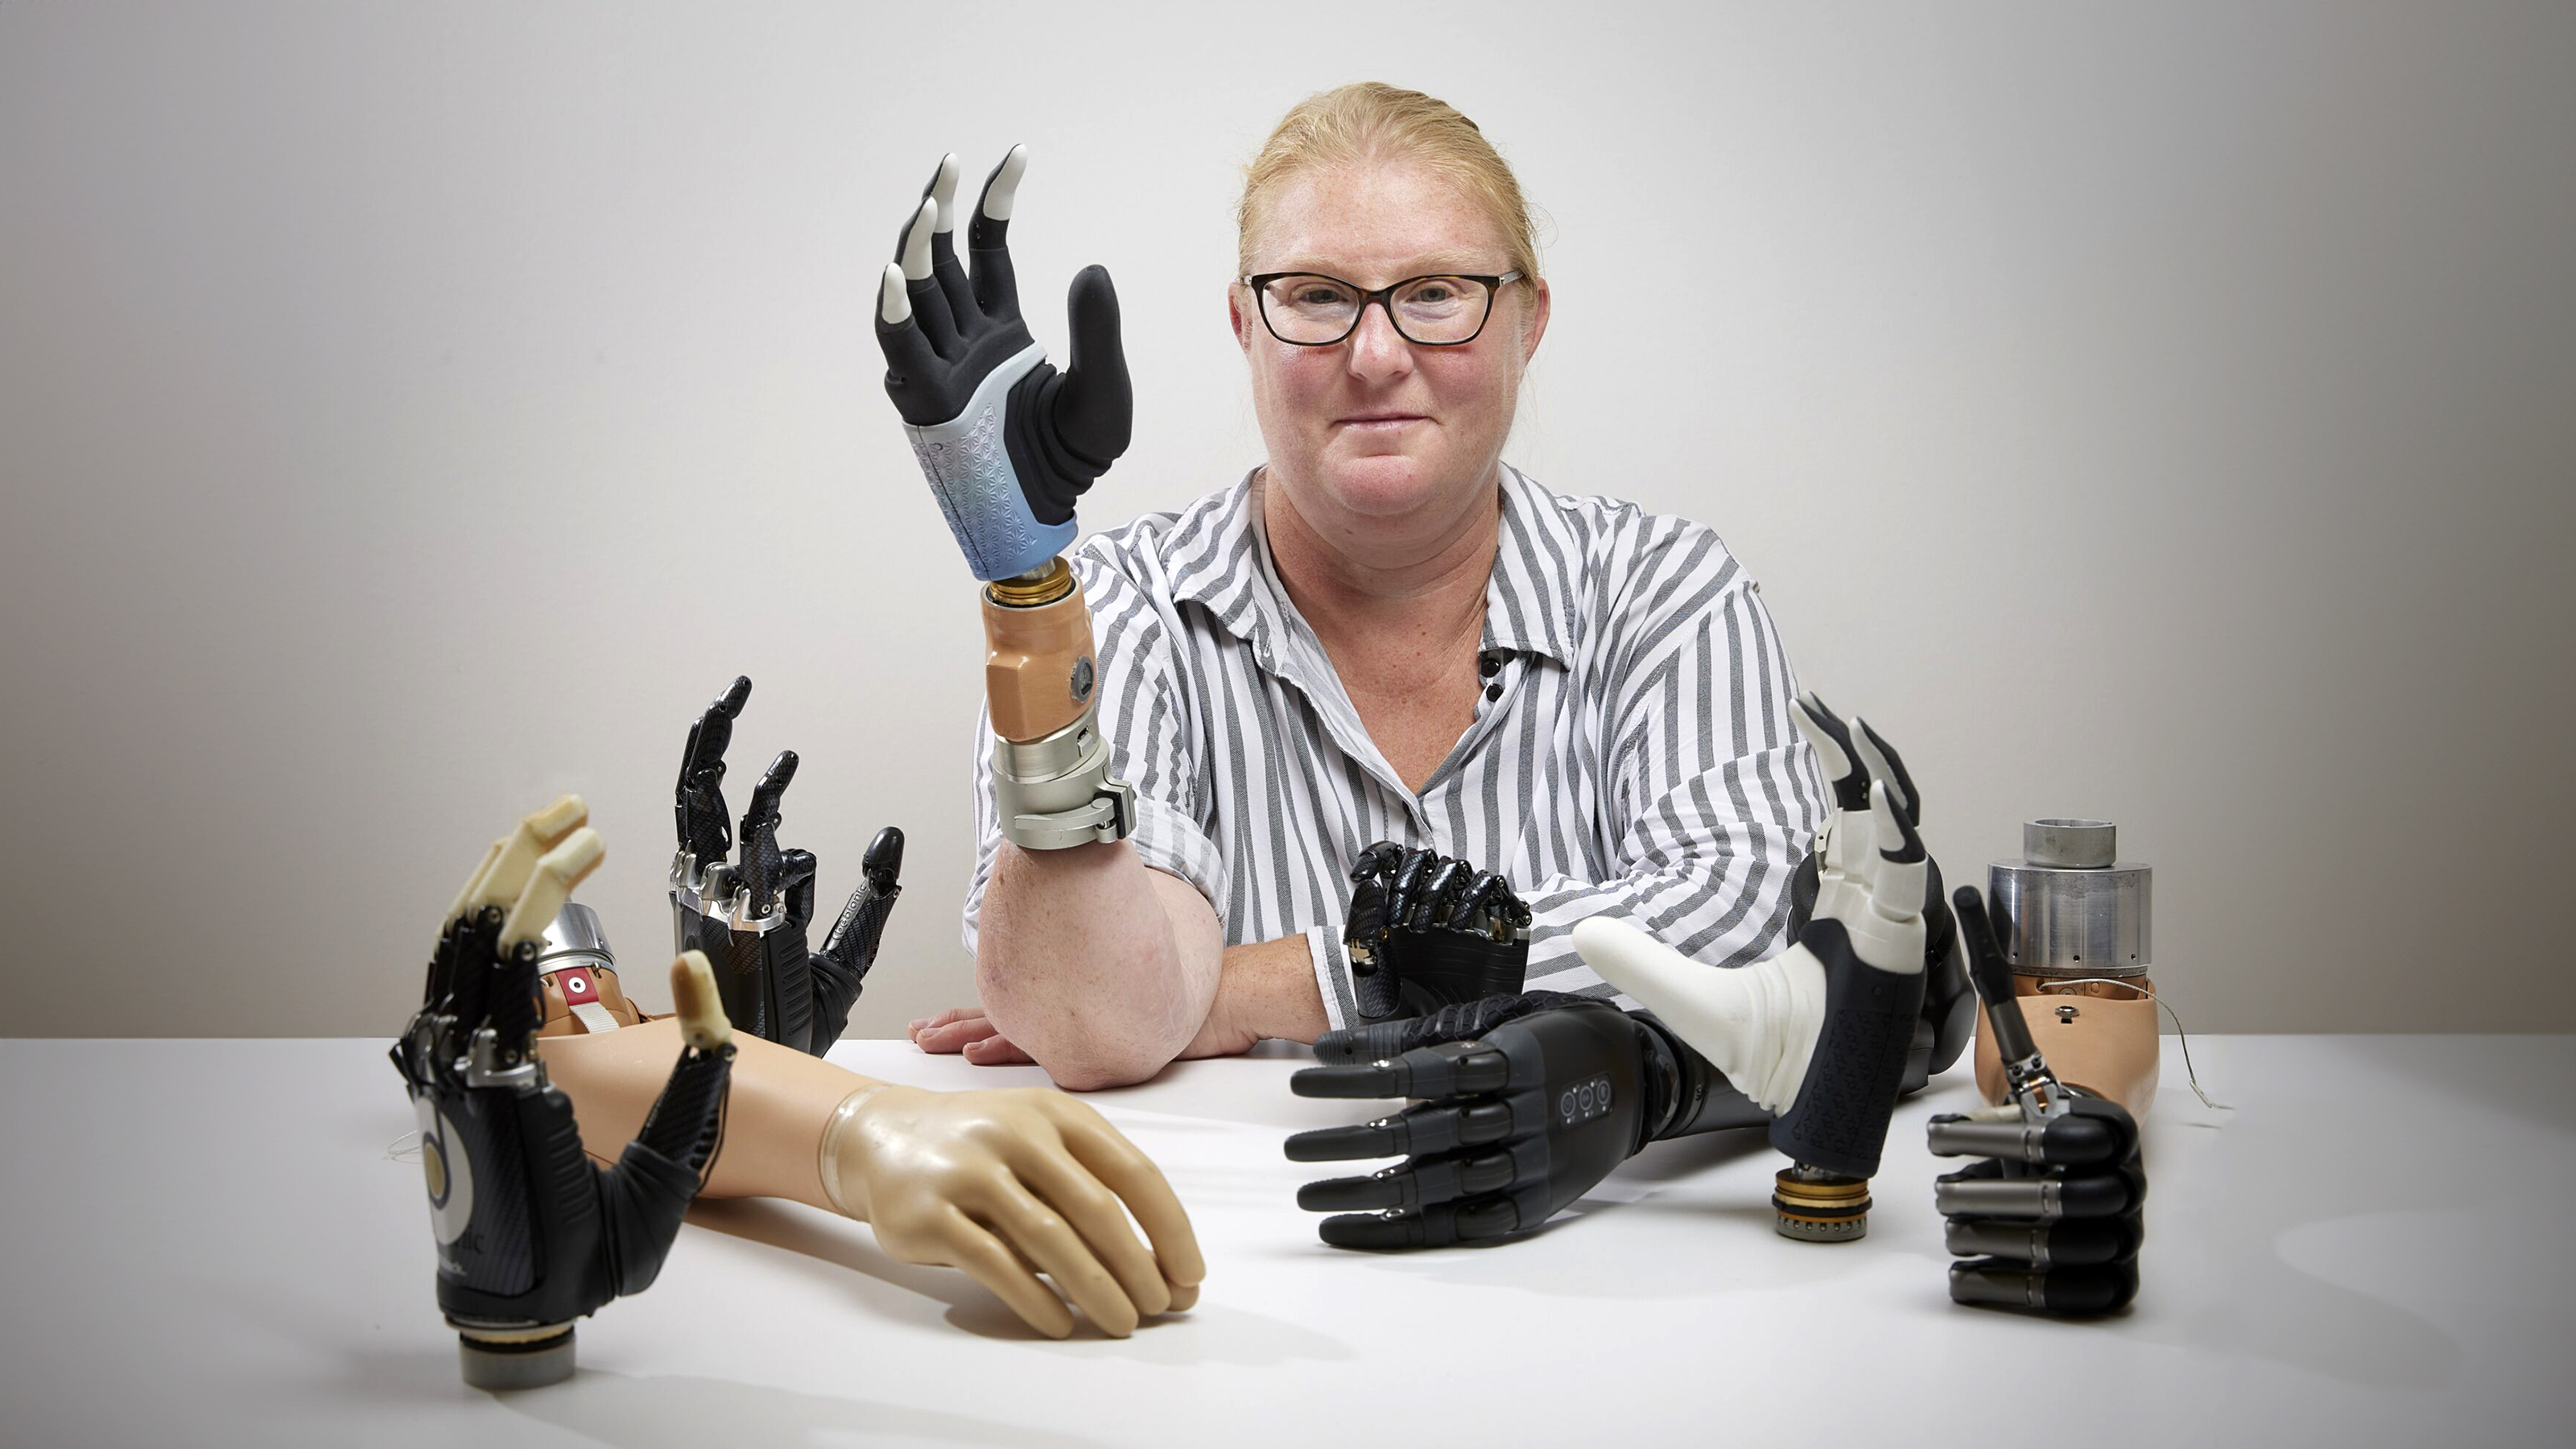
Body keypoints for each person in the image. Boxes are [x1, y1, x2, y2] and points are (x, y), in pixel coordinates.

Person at [892, 83, 1825, 1091]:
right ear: (1246, 325)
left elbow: (1748, 929)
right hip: (1234, 1244)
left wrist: (1270, 987)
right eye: (1318, 297)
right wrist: (1027, 586)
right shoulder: (1121, 608)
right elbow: (1095, 1017)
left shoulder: (1666, 594)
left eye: (1434, 293)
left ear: (1528, 320)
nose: (1375, 357)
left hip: (1615, 1239)